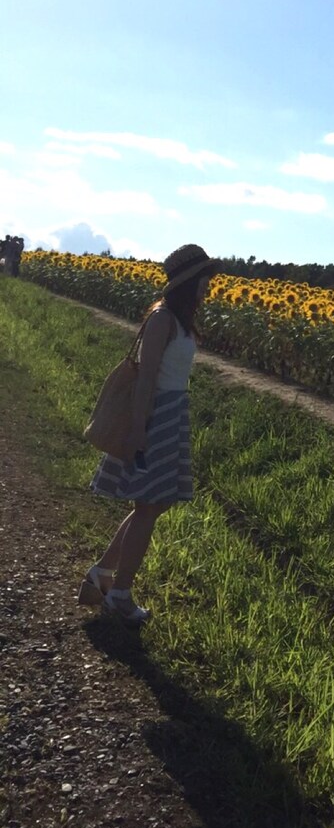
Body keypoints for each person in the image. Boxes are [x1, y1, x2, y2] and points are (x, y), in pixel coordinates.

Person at [78, 244, 215, 624]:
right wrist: (139, 429)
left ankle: (102, 574)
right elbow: (146, 378)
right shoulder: (162, 319)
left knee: (153, 504)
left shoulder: (180, 320)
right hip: (156, 416)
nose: (209, 285)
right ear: (188, 281)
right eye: (204, 278)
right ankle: (119, 594)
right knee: (149, 506)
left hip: (172, 414)